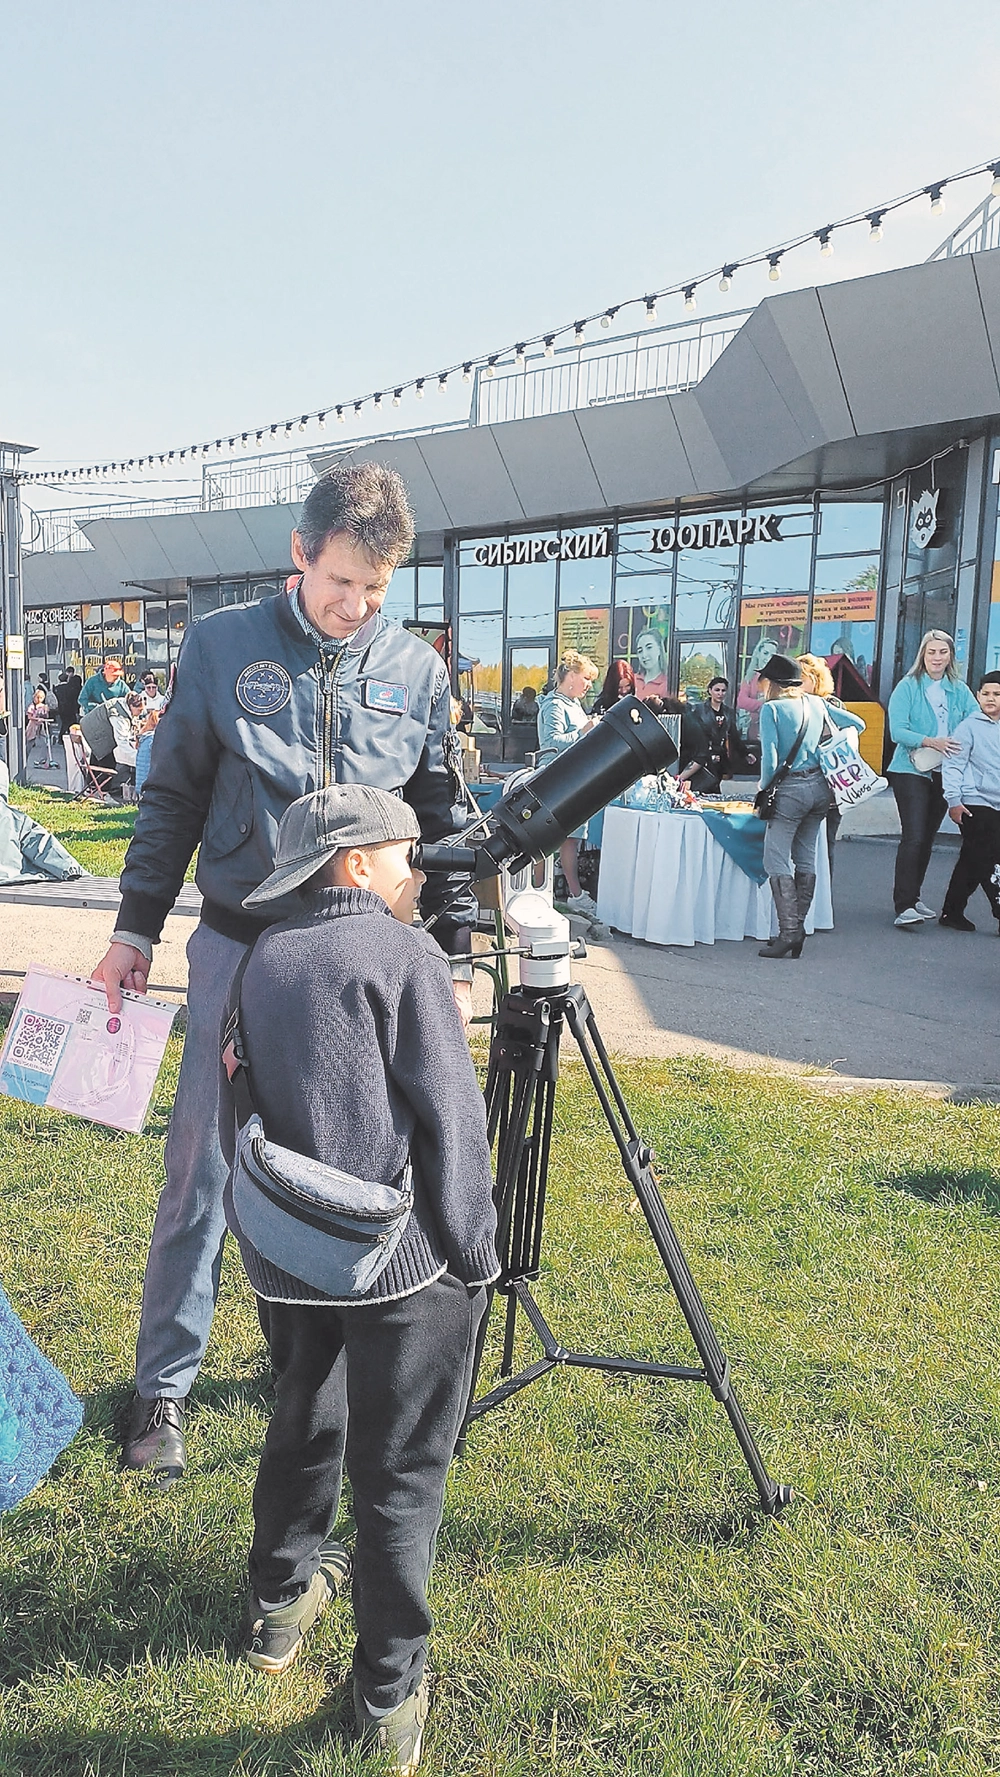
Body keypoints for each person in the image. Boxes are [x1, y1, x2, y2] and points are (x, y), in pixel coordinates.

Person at [91, 463, 478, 1486]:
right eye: (340, 581)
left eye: (375, 590)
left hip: (363, 959)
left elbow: (441, 817)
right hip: (240, 945)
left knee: (351, 1168)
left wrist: (455, 949)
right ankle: (163, 1389)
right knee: (204, 1173)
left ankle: (311, 1362)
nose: (355, 607)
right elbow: (172, 797)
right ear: (300, 553)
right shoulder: (221, 645)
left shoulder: (416, 670)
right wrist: (134, 929)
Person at [225, 785, 498, 1771]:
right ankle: (386, 1689)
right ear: (353, 862)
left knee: (305, 1415)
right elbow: (453, 1121)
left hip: (291, 1257)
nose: (418, 869)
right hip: (399, 1268)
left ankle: (277, 1603)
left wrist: (268, 1233)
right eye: (406, 852)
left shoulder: (264, 954)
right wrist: (476, 1250)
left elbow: (236, 1097)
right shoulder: (406, 955)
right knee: (400, 1473)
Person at [755, 654, 864, 959]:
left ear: (773, 682)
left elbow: (770, 761)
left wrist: (764, 788)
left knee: (775, 858)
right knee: (805, 856)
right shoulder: (816, 703)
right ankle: (797, 930)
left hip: (790, 789)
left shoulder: (772, 710)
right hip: (820, 787)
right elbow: (858, 724)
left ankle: (789, 932)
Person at [886, 629, 978, 930]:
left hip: (944, 771)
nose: (937, 658)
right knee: (913, 836)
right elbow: (897, 731)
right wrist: (930, 741)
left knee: (926, 838)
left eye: (943, 652)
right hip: (910, 769)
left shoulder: (959, 689)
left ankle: (913, 898)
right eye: (931, 652)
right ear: (922, 655)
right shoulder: (908, 686)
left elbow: (976, 721)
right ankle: (903, 906)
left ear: (951, 656)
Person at [536, 650, 600, 917]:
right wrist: (584, 732)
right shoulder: (554, 705)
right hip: (557, 781)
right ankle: (540, 893)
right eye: (586, 678)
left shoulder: (573, 705)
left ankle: (572, 895)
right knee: (548, 841)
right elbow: (550, 743)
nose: (589, 685)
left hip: (573, 779)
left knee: (570, 840)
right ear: (571, 676)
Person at [938, 670, 1000, 932]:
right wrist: (953, 800)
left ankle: (951, 912)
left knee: (972, 858)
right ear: (977, 695)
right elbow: (953, 765)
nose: (991, 698)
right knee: (989, 857)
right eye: (986, 693)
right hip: (973, 801)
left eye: (997, 694)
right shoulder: (968, 727)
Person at [798, 653, 846, 877]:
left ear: (816, 679)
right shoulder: (794, 704)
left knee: (825, 843)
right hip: (801, 786)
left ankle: (822, 891)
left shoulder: (831, 705)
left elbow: (843, 737)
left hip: (829, 785)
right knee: (802, 845)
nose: (795, 683)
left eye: (801, 678)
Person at [677, 677, 755, 794]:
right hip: (703, 754)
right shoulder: (698, 710)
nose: (720, 693)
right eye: (717, 690)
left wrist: (745, 753)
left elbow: (733, 735)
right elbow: (693, 735)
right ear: (710, 690)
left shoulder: (728, 712)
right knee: (701, 786)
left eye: (723, 691)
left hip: (719, 756)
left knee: (714, 785)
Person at [633, 629, 669, 700]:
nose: (644, 655)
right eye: (640, 651)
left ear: (659, 649)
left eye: (649, 647)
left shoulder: (667, 683)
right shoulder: (632, 680)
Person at [53, 669, 81, 738]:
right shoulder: (70, 688)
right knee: (71, 722)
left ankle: (64, 736)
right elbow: (73, 699)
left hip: (61, 708)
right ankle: (65, 736)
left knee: (64, 722)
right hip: (70, 708)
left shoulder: (56, 688)